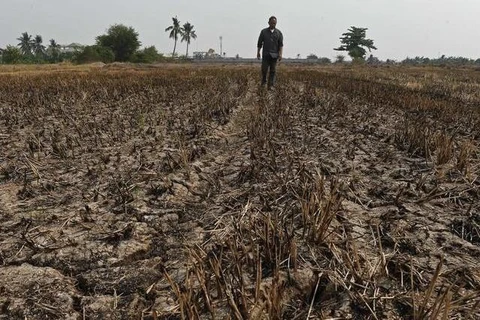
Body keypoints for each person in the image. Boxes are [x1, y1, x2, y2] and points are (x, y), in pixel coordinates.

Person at [257, 16, 283, 89]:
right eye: (272, 23)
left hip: (274, 55)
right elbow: (259, 43)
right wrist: (258, 52)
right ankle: (263, 83)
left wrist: (280, 54)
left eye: (274, 23)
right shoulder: (263, 32)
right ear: (268, 23)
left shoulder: (279, 33)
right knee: (264, 70)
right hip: (266, 54)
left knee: (273, 70)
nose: (273, 24)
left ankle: (270, 85)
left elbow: (280, 45)